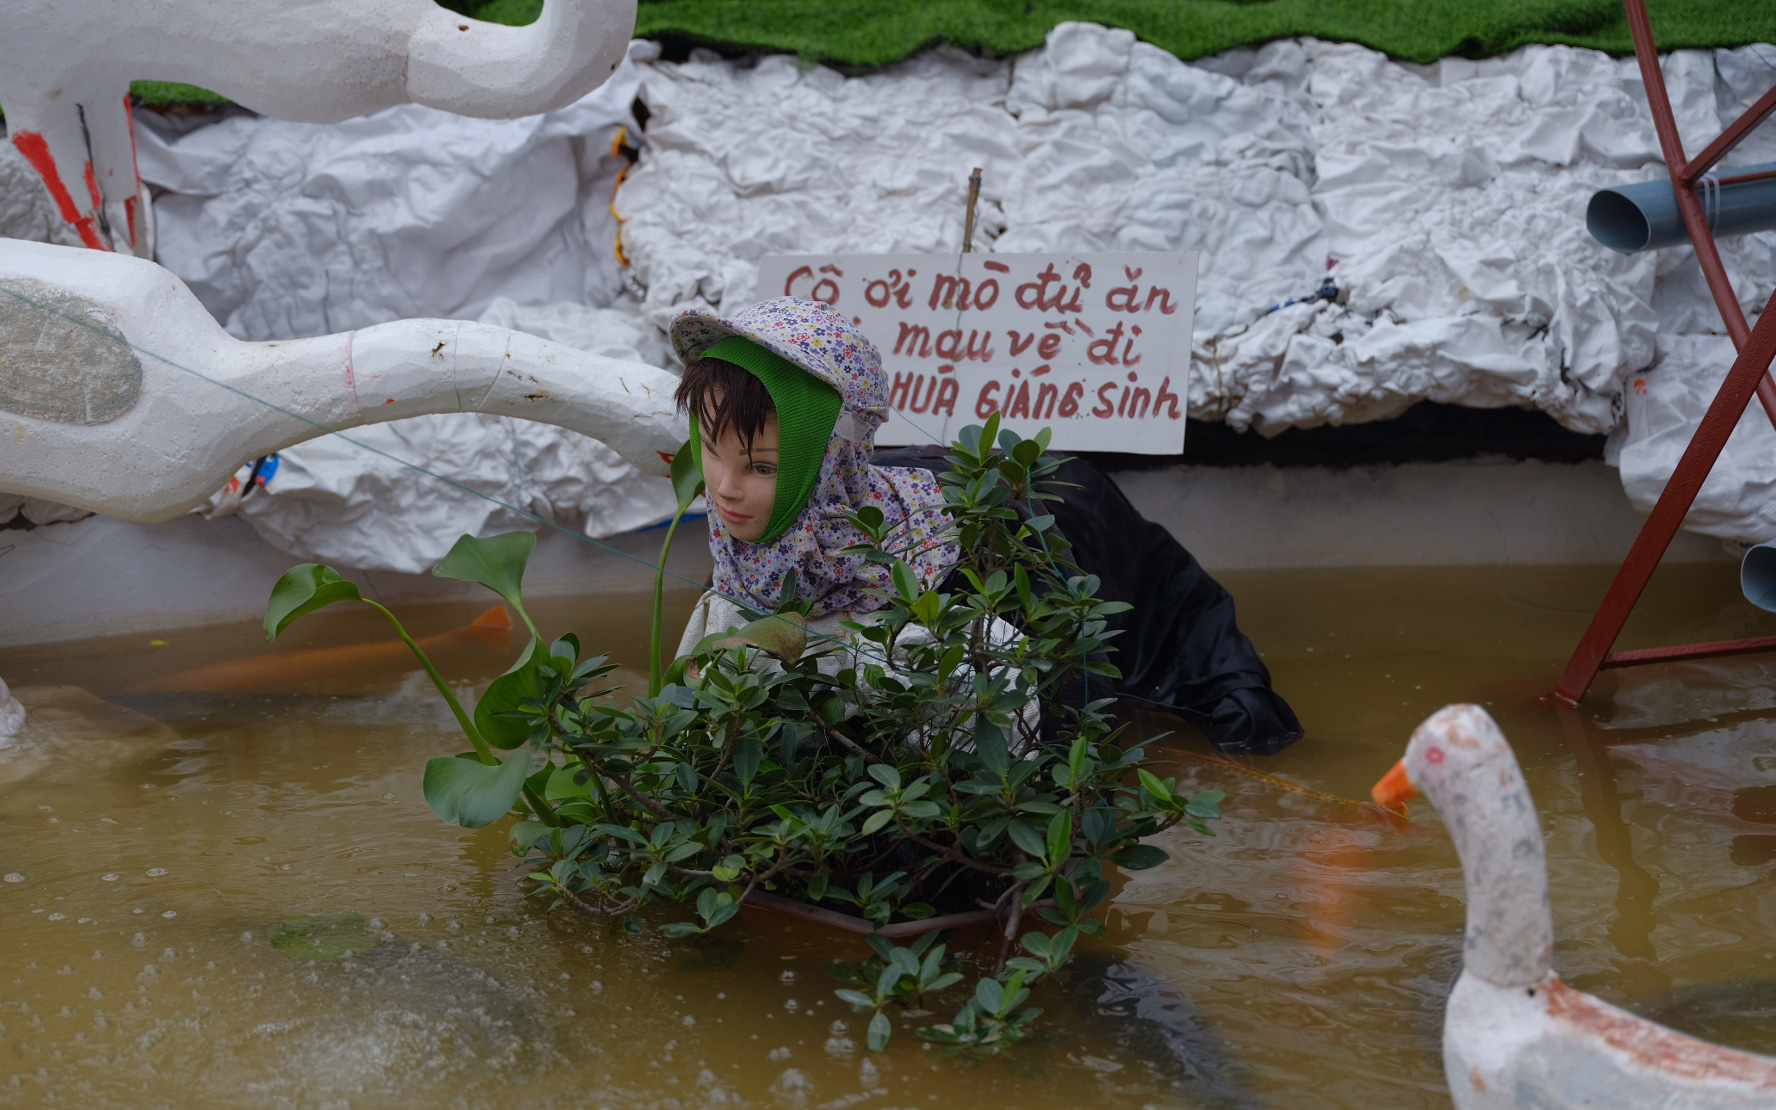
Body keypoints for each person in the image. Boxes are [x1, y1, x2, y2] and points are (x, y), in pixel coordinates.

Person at [669, 297, 1301, 756]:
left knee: (1190, 702)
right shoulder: (756, 531)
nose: (723, 488)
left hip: (1088, 544)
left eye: (762, 466)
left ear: (829, 462)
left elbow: (1059, 720)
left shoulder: (962, 571)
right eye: (710, 448)